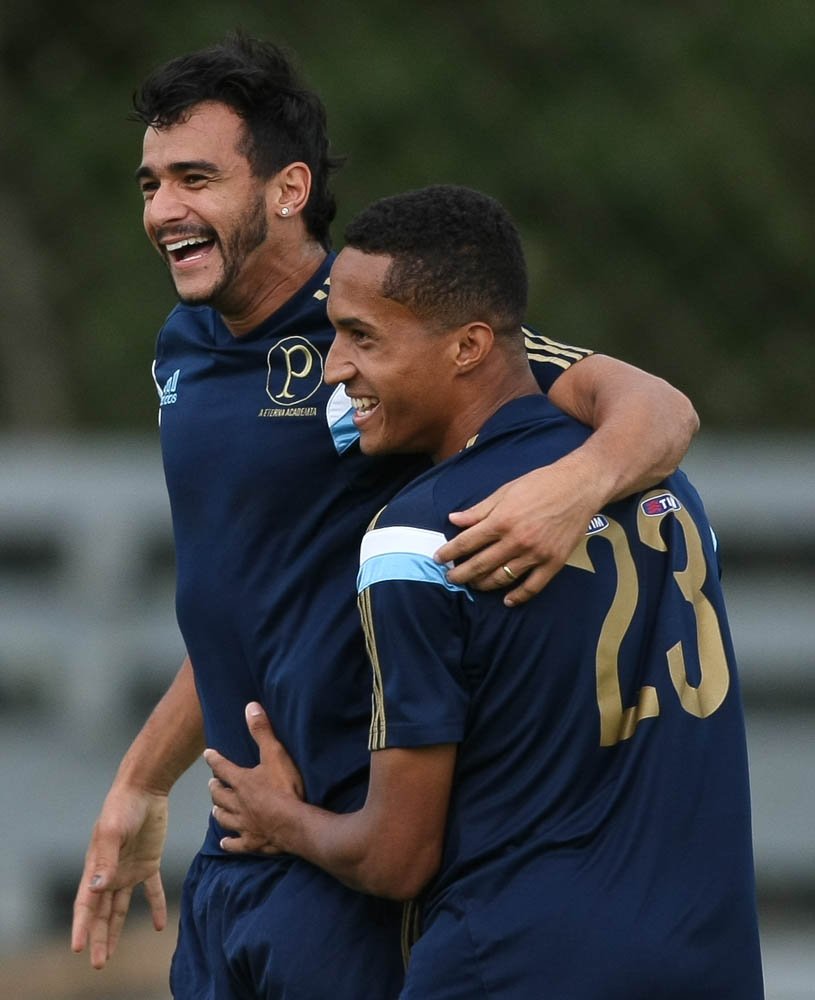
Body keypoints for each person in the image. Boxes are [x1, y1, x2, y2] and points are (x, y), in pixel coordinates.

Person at [70, 33, 700, 999]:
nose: (162, 211)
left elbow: (657, 408)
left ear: (285, 190)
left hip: (351, 865)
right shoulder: (183, 346)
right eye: (150, 183)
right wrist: (143, 779)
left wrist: (570, 488)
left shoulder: (380, 326)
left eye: (194, 178)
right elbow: (246, 603)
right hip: (239, 846)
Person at [205, 184, 764, 999]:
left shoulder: (419, 537)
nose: (336, 368)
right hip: (707, 961)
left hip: (507, 963)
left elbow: (397, 857)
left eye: (362, 337)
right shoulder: (668, 491)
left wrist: (278, 819)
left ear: (467, 347)